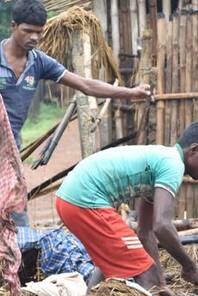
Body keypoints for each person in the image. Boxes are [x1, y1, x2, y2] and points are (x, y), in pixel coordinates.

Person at [54, 118, 198, 296]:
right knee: (143, 269)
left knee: (113, 257)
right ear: (193, 150)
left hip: (68, 199)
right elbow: (162, 226)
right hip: (85, 200)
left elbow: (146, 232)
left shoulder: (160, 161)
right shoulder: (173, 165)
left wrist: (161, 284)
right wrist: (189, 266)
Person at [3, 0, 150, 226]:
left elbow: (85, 84)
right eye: (27, 31)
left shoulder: (39, 62)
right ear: (14, 27)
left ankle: (21, 255)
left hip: (11, 148)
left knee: (15, 208)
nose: (33, 37)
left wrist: (130, 92)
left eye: (38, 32)